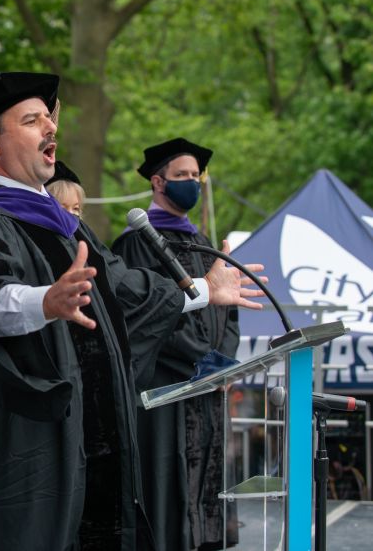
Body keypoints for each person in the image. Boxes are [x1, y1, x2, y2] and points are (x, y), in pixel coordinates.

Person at [0, 72, 265, 551]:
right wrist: (46, 302)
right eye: (32, 121)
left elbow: (125, 288)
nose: (50, 130)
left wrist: (203, 289)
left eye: (50, 121)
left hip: (83, 434)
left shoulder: (62, 225)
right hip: (20, 442)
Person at [111, 138, 240, 550]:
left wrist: (227, 363)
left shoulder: (201, 240)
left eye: (194, 176)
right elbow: (148, 313)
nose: (191, 183)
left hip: (209, 389)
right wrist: (205, 361)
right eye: (181, 176)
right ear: (157, 182)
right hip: (167, 391)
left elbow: (229, 310)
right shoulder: (135, 244)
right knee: (170, 490)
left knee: (208, 491)